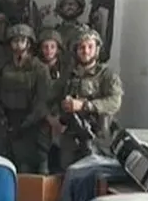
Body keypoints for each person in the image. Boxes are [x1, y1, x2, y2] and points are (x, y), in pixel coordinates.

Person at [47, 27, 123, 172]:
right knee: (67, 175)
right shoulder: (68, 75)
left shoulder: (107, 75)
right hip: (70, 138)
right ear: (75, 51)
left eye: (90, 46)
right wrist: (54, 118)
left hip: (97, 137)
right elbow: (50, 97)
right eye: (81, 47)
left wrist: (85, 105)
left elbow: (114, 102)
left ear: (97, 49)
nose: (86, 51)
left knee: (94, 177)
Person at [0, 24, 51, 173]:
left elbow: (43, 101)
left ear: (28, 43)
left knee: (26, 166)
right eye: (14, 41)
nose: (18, 44)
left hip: (30, 123)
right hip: (6, 120)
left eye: (22, 40)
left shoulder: (39, 68)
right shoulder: (4, 67)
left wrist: (26, 123)